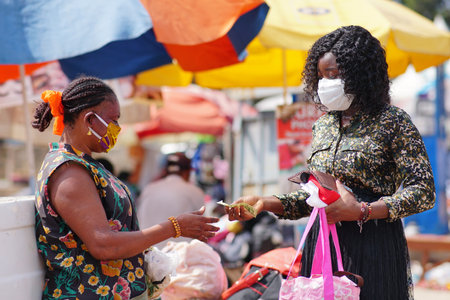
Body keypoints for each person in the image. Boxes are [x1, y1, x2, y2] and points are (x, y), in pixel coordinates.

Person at [225, 25, 435, 300]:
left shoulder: (393, 121)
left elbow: (423, 192)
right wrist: (265, 203)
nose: (326, 83)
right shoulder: (322, 126)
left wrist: (363, 210)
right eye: (322, 76)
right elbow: (313, 197)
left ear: (360, 75)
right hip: (322, 245)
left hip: (372, 245)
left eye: (334, 75)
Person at [32, 76, 219, 300]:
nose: (118, 129)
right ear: (90, 119)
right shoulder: (69, 171)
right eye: (113, 120)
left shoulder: (87, 165)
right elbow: (103, 245)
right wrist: (174, 227)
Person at [136, 152, 206, 249]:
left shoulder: (148, 189)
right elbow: (202, 223)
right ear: (187, 172)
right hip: (180, 254)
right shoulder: (194, 191)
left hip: (148, 251)